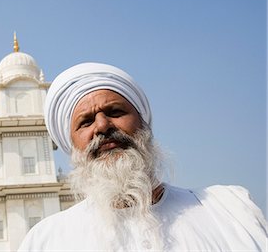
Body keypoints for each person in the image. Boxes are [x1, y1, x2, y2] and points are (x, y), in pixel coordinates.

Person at [18, 62, 267, 251]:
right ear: (72, 146)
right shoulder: (47, 240)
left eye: (115, 111)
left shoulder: (229, 209)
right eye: (85, 122)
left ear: (144, 124)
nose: (102, 125)